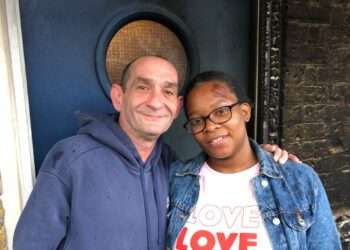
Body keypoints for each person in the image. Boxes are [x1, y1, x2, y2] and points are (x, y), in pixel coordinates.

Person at [14, 56, 293, 250]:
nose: (156, 101)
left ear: (177, 105)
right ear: (118, 97)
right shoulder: (72, 159)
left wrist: (261, 157)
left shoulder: (174, 168)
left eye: (168, 91)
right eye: (143, 87)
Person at [167, 71, 341, 250]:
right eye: (196, 121)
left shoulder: (298, 180)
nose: (210, 126)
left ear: (244, 112)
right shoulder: (174, 180)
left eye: (220, 112)